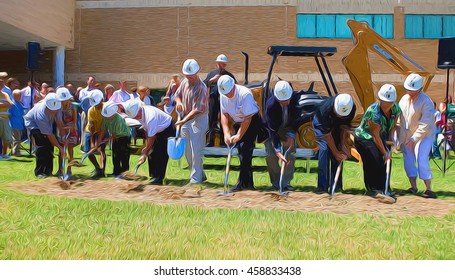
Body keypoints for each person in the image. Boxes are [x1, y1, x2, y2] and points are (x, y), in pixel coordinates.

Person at [354, 84, 401, 198]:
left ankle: (384, 188)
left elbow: (393, 126)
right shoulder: (374, 112)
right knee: (375, 157)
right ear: (379, 99)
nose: (386, 104)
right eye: (383, 101)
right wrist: (384, 153)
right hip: (365, 137)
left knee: (387, 161)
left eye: (389, 102)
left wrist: (390, 141)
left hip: (382, 137)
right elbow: (375, 135)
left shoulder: (396, 109)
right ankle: (373, 189)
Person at [397, 73, 436, 198]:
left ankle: (428, 188)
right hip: (407, 135)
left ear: (420, 89)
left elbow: (425, 124)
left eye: (413, 90)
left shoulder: (427, 102)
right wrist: (399, 135)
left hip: (424, 136)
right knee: (408, 160)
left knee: (421, 157)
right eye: (408, 89)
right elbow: (400, 118)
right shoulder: (403, 99)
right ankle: (413, 187)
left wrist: (414, 139)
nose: (410, 92)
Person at [218, 75, 260, 191]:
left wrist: (239, 135)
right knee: (241, 151)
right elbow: (224, 114)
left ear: (233, 87)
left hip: (252, 120)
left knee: (244, 148)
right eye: (225, 93)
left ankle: (242, 183)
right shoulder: (223, 94)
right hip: (239, 121)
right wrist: (226, 133)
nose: (227, 95)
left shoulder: (244, 94)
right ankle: (247, 182)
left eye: (229, 92)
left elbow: (248, 118)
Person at [174, 59, 209, 186]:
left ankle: (195, 179)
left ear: (198, 71)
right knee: (187, 151)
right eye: (187, 75)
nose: (189, 77)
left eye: (191, 74)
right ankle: (200, 174)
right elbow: (177, 95)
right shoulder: (184, 82)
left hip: (198, 120)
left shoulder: (202, 88)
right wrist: (178, 102)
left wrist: (183, 120)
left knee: (196, 150)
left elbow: (197, 110)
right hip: (186, 119)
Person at [312, 93, 356, 193]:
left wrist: (342, 145)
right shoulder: (325, 109)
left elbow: (343, 127)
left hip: (337, 125)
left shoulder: (351, 108)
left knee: (339, 152)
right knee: (325, 149)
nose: (340, 115)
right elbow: (327, 135)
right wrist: (335, 152)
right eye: (338, 113)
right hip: (321, 124)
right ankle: (322, 187)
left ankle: (337, 186)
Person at [124, 99, 175, 185]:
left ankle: (159, 178)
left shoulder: (151, 117)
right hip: (157, 130)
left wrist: (146, 150)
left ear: (139, 110)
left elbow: (152, 137)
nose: (136, 118)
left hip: (167, 129)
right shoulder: (140, 114)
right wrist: (146, 149)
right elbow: (147, 132)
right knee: (152, 153)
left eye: (136, 116)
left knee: (160, 153)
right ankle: (153, 175)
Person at [263, 81, 299, 191]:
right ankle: (276, 183)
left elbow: (297, 118)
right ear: (277, 98)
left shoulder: (295, 99)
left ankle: (285, 183)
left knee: (290, 151)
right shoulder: (270, 106)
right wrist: (278, 151)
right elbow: (272, 131)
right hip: (270, 129)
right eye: (283, 101)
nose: (286, 102)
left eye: (288, 99)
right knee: (271, 153)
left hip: (287, 127)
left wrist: (291, 135)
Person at [24, 93, 65, 178]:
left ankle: (48, 171)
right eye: (51, 109)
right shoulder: (40, 113)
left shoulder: (58, 105)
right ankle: (39, 172)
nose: (54, 111)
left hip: (48, 123)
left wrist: (63, 136)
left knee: (50, 147)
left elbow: (59, 122)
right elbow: (49, 134)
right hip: (34, 125)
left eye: (55, 109)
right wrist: (60, 148)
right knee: (42, 147)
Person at [204, 54, 237, 147]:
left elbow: (236, 86)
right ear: (216, 64)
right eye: (219, 64)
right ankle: (210, 141)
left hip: (225, 100)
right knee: (212, 119)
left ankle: (223, 141)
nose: (220, 66)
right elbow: (205, 84)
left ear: (225, 65)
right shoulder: (211, 73)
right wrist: (212, 80)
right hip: (213, 100)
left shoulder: (229, 75)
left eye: (222, 64)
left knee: (224, 119)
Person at [100, 102, 132, 178]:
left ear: (113, 114)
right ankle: (116, 172)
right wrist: (98, 141)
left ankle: (125, 173)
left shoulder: (119, 120)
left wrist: (104, 140)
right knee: (115, 155)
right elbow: (102, 130)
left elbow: (114, 136)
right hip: (116, 137)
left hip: (124, 137)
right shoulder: (106, 119)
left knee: (123, 156)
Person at [55, 87, 78, 178]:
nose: (63, 102)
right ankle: (60, 169)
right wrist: (62, 129)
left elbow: (75, 120)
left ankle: (69, 169)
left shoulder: (73, 107)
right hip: (61, 129)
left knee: (70, 149)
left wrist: (71, 127)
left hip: (71, 130)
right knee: (61, 149)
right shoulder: (57, 107)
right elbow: (57, 119)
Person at [84, 89, 106, 178]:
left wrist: (98, 142)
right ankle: (97, 168)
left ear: (101, 100)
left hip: (103, 130)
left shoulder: (106, 108)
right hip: (91, 131)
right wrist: (93, 143)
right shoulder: (91, 110)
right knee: (89, 152)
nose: (96, 105)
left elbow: (103, 128)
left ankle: (102, 171)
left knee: (101, 149)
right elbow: (92, 127)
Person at [8, 89, 25, 156]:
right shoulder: (12, 104)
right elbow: (9, 114)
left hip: (20, 124)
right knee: (16, 139)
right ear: (14, 96)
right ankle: (15, 152)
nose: (20, 97)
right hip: (14, 124)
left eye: (20, 95)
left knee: (18, 139)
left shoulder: (19, 104)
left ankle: (17, 150)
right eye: (18, 96)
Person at [0, 85, 13, 160]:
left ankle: (4, 153)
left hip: (6, 119)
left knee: (7, 138)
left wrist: (2, 104)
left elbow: (11, 104)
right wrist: (4, 104)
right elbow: (7, 104)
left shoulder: (5, 94)